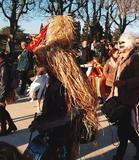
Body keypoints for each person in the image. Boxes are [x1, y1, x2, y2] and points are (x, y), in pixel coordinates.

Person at [28, 15, 98, 159]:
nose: (44, 64)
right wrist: (39, 121)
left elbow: (71, 114)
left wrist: (44, 124)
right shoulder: (54, 79)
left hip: (62, 139)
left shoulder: (68, 81)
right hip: (55, 136)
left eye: (48, 60)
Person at [111, 33, 139, 160]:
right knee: (125, 129)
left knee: (123, 129)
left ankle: (120, 155)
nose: (119, 46)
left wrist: (124, 83)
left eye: (122, 43)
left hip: (129, 98)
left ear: (128, 43)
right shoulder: (122, 57)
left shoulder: (135, 58)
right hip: (121, 98)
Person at [0, 52, 17, 136]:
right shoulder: (3, 65)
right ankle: (11, 125)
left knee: (1, 112)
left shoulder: (4, 67)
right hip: (2, 92)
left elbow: (4, 83)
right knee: (2, 111)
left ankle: (4, 130)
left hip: (2, 93)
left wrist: (2, 98)